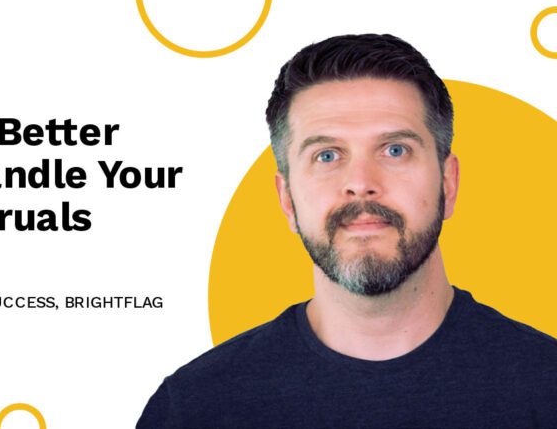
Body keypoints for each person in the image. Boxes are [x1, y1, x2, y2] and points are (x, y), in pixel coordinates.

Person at [137, 34, 557, 428]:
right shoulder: (193, 408)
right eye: (327, 155)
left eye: (395, 150)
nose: (360, 181)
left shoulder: (547, 388)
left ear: (447, 183)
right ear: (287, 198)